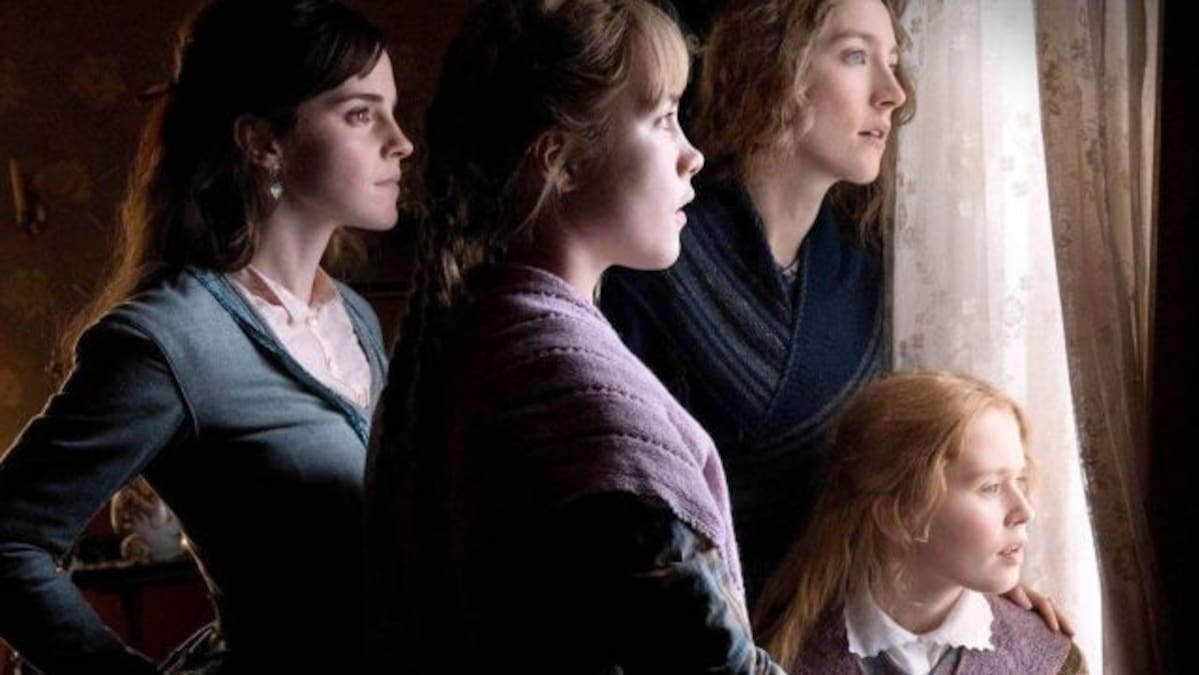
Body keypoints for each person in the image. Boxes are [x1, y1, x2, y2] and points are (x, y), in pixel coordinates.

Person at [366, 0, 783, 673]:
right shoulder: (570, 401)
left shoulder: (471, 336)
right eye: (662, 119)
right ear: (559, 160)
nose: (693, 155)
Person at [0, 0, 413, 672]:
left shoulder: (356, 318)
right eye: (361, 114)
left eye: (391, 111)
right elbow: (8, 538)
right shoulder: (169, 339)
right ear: (263, 141)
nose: (401, 141)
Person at [600, 0, 911, 604]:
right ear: (775, 66)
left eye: (893, 62)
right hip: (681, 616)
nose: (892, 93)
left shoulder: (869, 271)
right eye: (855, 56)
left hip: (829, 609)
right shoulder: (658, 255)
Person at [754, 372, 1087, 673]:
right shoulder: (781, 656)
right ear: (897, 514)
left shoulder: (1049, 662)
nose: (1025, 511)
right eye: (991, 487)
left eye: (1020, 480)